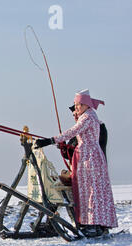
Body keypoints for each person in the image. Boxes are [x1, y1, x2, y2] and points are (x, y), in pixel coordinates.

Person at [35, 89, 118, 237]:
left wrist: (50, 140)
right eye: (75, 105)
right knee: (91, 191)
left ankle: (91, 225)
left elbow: (72, 132)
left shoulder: (87, 117)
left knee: (90, 191)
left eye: (78, 105)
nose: (76, 108)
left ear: (86, 104)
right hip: (87, 156)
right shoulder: (90, 116)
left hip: (89, 159)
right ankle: (96, 224)